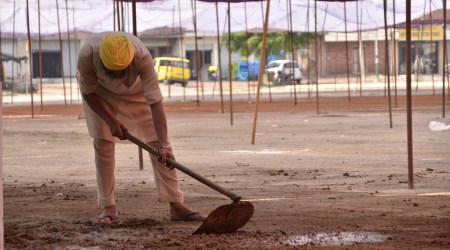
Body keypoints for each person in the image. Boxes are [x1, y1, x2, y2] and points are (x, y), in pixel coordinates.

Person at [77, 31, 207, 224]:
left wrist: (164, 144)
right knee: (103, 142)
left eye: (122, 70)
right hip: (99, 94)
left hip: (136, 93)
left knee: (160, 145)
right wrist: (110, 120)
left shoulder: (142, 56)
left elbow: (155, 103)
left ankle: (176, 205)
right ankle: (109, 208)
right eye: (112, 70)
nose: (117, 76)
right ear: (101, 61)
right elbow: (88, 92)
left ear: (130, 61)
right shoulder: (87, 55)